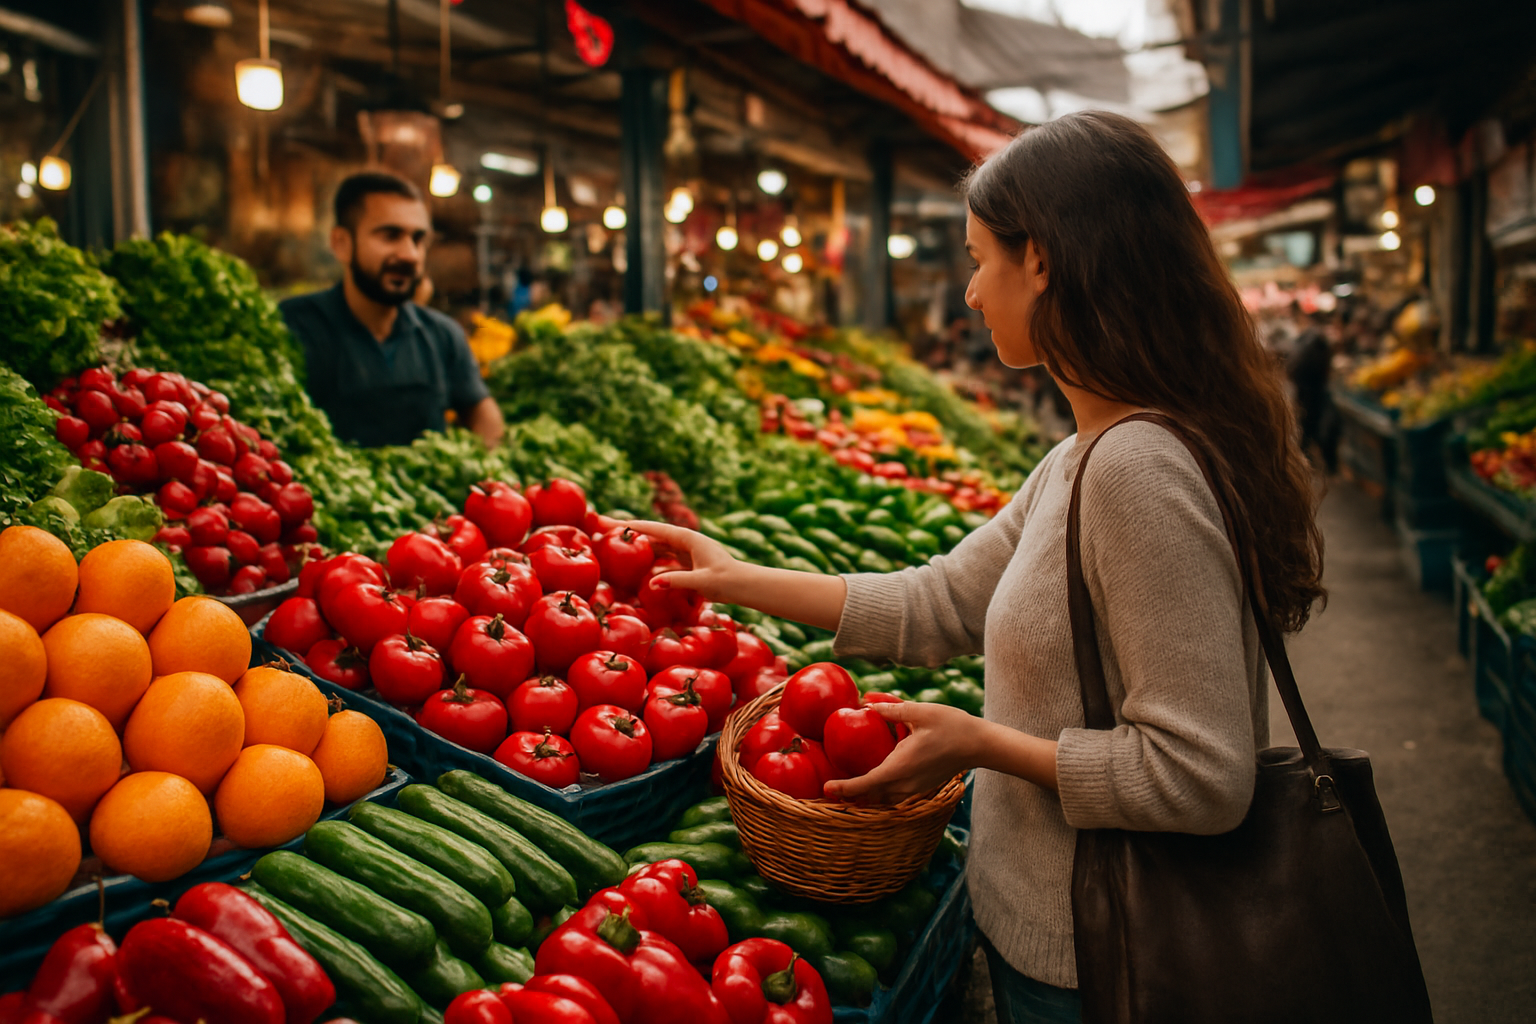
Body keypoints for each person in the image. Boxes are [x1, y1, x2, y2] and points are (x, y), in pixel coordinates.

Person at [629, 111, 1324, 1024]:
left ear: (1040, 261)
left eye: (977, 258)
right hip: (1061, 938)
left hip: (1109, 961)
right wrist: (732, 576)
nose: (967, 294)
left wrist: (983, 742)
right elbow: (941, 601)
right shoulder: (1084, 455)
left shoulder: (1134, 471)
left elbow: (1202, 777)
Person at [279, 171, 504, 448]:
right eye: (390, 236)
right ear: (342, 244)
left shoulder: (442, 335)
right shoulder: (292, 327)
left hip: (426, 490)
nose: (410, 254)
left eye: (418, 239)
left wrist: (487, 467)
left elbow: (483, 414)